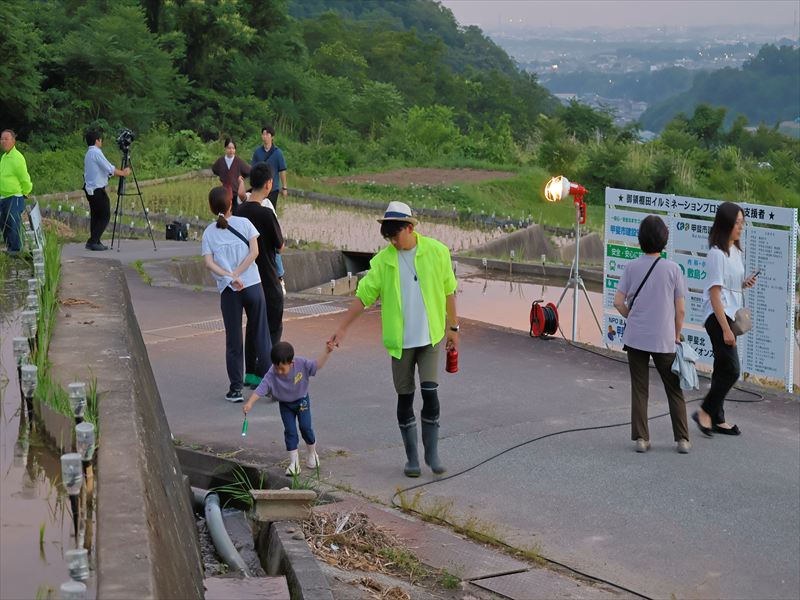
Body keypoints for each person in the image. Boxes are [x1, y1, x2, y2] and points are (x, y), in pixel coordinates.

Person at [330, 201, 459, 477]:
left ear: (410, 228)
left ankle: (432, 454)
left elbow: (449, 290)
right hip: (400, 343)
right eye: (388, 237)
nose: (393, 241)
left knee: (430, 393)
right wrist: (342, 329)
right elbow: (363, 297)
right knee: (405, 398)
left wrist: (453, 329)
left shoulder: (437, 253)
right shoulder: (383, 262)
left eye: (395, 235)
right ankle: (412, 459)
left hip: (430, 337)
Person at [613, 215, 691, 454]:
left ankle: (642, 438)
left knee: (639, 388)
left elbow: (618, 302)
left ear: (640, 240)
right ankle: (682, 440)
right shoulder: (673, 269)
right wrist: (676, 334)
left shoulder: (631, 267)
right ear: (664, 241)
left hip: (636, 338)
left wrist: (633, 318)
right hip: (664, 338)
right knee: (673, 388)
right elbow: (680, 309)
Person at [692, 201, 758, 437]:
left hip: (730, 316)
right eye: (737, 222)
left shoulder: (735, 251)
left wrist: (743, 284)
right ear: (726, 224)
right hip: (718, 317)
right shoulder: (716, 254)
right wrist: (726, 330)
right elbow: (714, 294)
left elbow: (728, 285)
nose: (741, 227)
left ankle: (717, 418)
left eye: (742, 222)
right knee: (731, 369)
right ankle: (705, 412)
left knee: (722, 367)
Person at [201, 186, 271, 402]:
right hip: (252, 286)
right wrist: (239, 273)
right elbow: (255, 252)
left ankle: (235, 390)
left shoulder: (209, 232)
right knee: (262, 336)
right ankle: (272, 386)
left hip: (230, 291)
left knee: (233, 340)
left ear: (212, 208)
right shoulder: (245, 224)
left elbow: (208, 263)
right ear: (231, 203)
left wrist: (230, 277)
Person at [243, 340, 334, 475]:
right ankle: (294, 463)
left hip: (302, 400)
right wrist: (250, 402)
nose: (279, 371)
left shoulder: (301, 364)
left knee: (305, 427)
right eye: (276, 367)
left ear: (291, 363)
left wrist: (326, 352)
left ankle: (312, 453)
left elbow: (317, 365)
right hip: (285, 404)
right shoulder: (272, 372)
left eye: (282, 368)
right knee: (290, 431)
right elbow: (262, 387)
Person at [235, 162, 285, 386]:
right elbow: (279, 245)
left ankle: (251, 373)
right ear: (268, 184)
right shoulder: (266, 213)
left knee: (254, 325)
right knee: (273, 326)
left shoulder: (240, 211)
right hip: (267, 275)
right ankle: (270, 375)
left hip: (247, 279)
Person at [83, 130, 131, 251]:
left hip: (90, 189)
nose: (101, 141)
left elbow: (101, 170)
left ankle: (94, 240)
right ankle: (93, 241)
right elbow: (109, 168)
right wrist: (123, 173)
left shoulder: (89, 153)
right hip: (97, 189)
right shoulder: (96, 152)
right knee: (105, 215)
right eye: (100, 139)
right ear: (97, 141)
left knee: (96, 215)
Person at [0, 130, 33, 253]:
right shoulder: (4, 157)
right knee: (4, 223)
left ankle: (16, 250)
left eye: (6, 139)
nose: (3, 141)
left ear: (13, 141)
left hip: (14, 195)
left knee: (13, 222)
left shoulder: (17, 157)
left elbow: (24, 177)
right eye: (2, 139)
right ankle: (10, 248)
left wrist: (26, 191)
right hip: (3, 196)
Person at [250, 125, 288, 209]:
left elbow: (282, 171)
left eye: (267, 134)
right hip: (259, 188)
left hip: (273, 189)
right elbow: (253, 169)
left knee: (270, 211)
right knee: (257, 210)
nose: (265, 136)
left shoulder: (278, 153)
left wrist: (284, 188)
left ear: (272, 137)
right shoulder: (257, 152)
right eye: (263, 134)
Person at [211, 138, 251, 209]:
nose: (231, 150)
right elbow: (215, 169)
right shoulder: (221, 161)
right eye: (229, 148)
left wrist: (241, 178)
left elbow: (248, 171)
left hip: (235, 193)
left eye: (233, 148)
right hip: (224, 193)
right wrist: (222, 176)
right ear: (225, 148)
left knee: (236, 212)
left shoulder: (239, 161)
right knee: (224, 212)